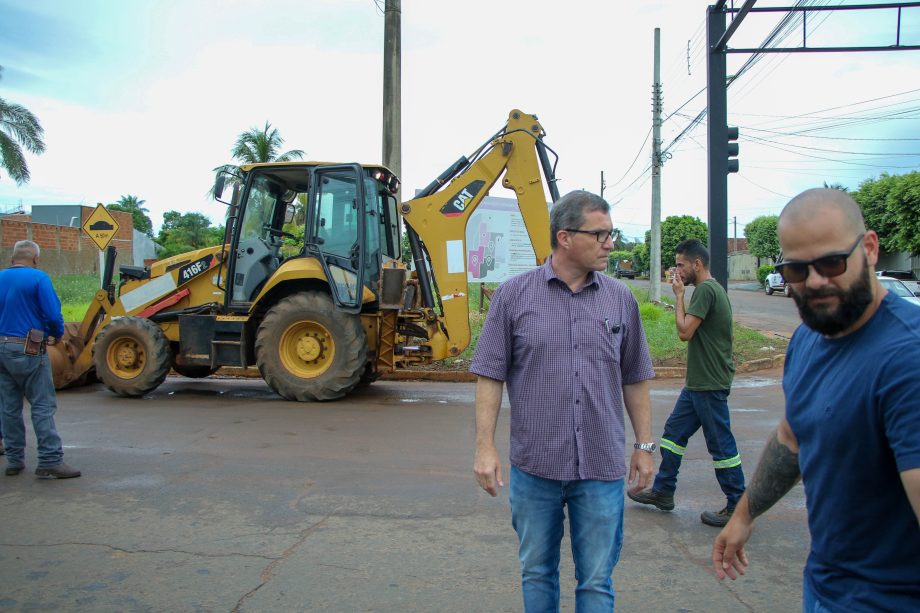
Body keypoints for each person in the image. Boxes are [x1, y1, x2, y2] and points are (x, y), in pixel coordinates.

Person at [712, 189, 920, 610]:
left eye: (831, 263)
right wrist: (745, 514)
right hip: (825, 587)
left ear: (870, 248)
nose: (816, 282)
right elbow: (792, 439)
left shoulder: (908, 359)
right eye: (797, 270)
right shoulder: (808, 339)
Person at [471, 190, 656, 611]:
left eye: (612, 233)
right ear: (565, 237)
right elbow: (489, 376)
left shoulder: (621, 300)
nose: (611, 243)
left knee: (596, 581)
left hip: (601, 467)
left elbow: (636, 378)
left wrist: (645, 447)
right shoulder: (514, 296)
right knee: (537, 572)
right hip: (536, 467)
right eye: (601, 234)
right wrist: (485, 446)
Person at [628, 239, 744, 527]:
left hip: (709, 383)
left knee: (721, 445)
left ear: (697, 264)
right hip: (698, 384)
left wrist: (678, 296)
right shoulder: (710, 289)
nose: (677, 270)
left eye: (681, 265)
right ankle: (664, 492)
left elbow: (684, 332)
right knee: (673, 436)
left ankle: (738, 505)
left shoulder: (705, 290)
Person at [0, 240, 80, 479]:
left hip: (2, 350)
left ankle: (14, 461)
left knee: (9, 407)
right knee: (42, 405)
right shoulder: (38, 278)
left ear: (13, 258)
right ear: (35, 258)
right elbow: (53, 314)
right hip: (29, 349)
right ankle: (50, 460)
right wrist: (56, 334)